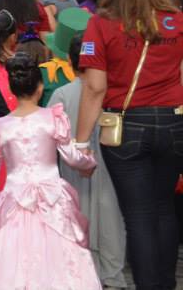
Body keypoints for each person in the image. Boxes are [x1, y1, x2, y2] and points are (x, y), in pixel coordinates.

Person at [76, 0, 183, 290]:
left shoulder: (102, 24)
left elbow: (94, 87)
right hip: (174, 121)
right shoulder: (176, 20)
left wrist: (80, 140)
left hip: (125, 127)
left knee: (137, 214)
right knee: (165, 207)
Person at [0, 54, 100, 289]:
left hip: (14, 199)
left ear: (12, 88)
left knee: (11, 263)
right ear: (40, 88)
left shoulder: (0, 127)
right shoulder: (53, 119)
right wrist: (89, 162)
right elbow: (71, 157)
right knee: (63, 262)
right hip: (52, 198)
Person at [48, 33, 127, 288]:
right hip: (111, 165)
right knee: (111, 219)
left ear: (70, 62)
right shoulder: (115, 91)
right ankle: (113, 275)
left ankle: (81, 276)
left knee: (77, 219)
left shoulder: (61, 94)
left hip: (72, 169)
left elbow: (49, 138)